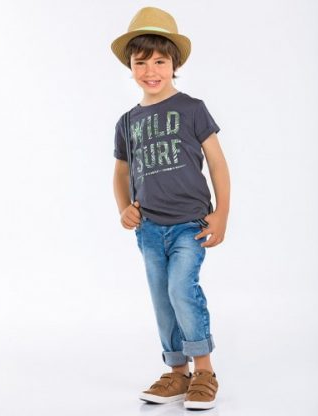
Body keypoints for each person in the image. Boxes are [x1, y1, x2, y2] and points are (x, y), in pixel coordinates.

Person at [111, 7, 230, 411]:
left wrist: (222, 213)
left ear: (174, 64)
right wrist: (124, 208)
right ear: (130, 67)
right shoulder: (127, 121)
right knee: (162, 298)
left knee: (182, 289)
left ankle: (204, 371)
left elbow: (217, 163)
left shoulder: (193, 109)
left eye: (160, 61)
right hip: (149, 229)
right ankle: (177, 372)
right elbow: (121, 172)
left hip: (189, 225)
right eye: (141, 62)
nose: (150, 70)